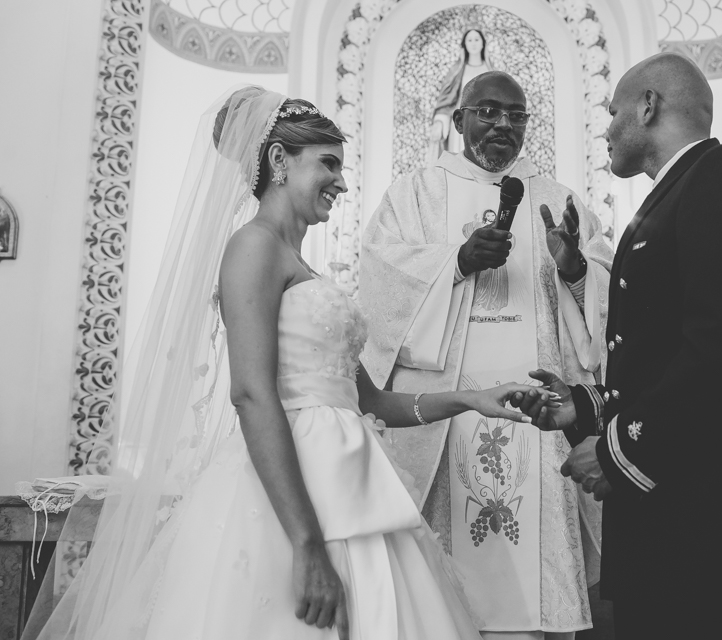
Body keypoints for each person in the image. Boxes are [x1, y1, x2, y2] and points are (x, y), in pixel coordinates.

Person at [24, 86, 557, 640]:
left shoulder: (302, 265)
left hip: (350, 477)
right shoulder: (252, 247)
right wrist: (306, 546)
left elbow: (371, 403)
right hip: (287, 493)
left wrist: (473, 399)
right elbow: (251, 394)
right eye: (328, 164)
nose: (343, 183)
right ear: (279, 161)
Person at [516, 53, 722, 637]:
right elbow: (663, 352)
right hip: (674, 530)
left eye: (613, 110)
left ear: (648, 106)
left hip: (707, 532)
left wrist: (617, 449)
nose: (606, 126)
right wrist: (587, 405)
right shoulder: (684, 191)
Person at [360, 71, 613, 640]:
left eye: (516, 115)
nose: (503, 125)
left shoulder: (558, 198)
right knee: (442, 605)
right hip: (448, 420)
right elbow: (379, 278)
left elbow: (607, 295)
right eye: (488, 112)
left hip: (542, 415)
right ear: (459, 120)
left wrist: (573, 267)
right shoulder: (414, 193)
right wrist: (455, 262)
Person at [429, 28, 494, 162]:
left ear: (483, 43)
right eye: (470, 40)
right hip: (464, 121)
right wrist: (440, 120)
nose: (474, 43)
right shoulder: (457, 71)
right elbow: (447, 99)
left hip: (487, 122)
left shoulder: (491, 70)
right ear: (464, 44)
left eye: (477, 39)